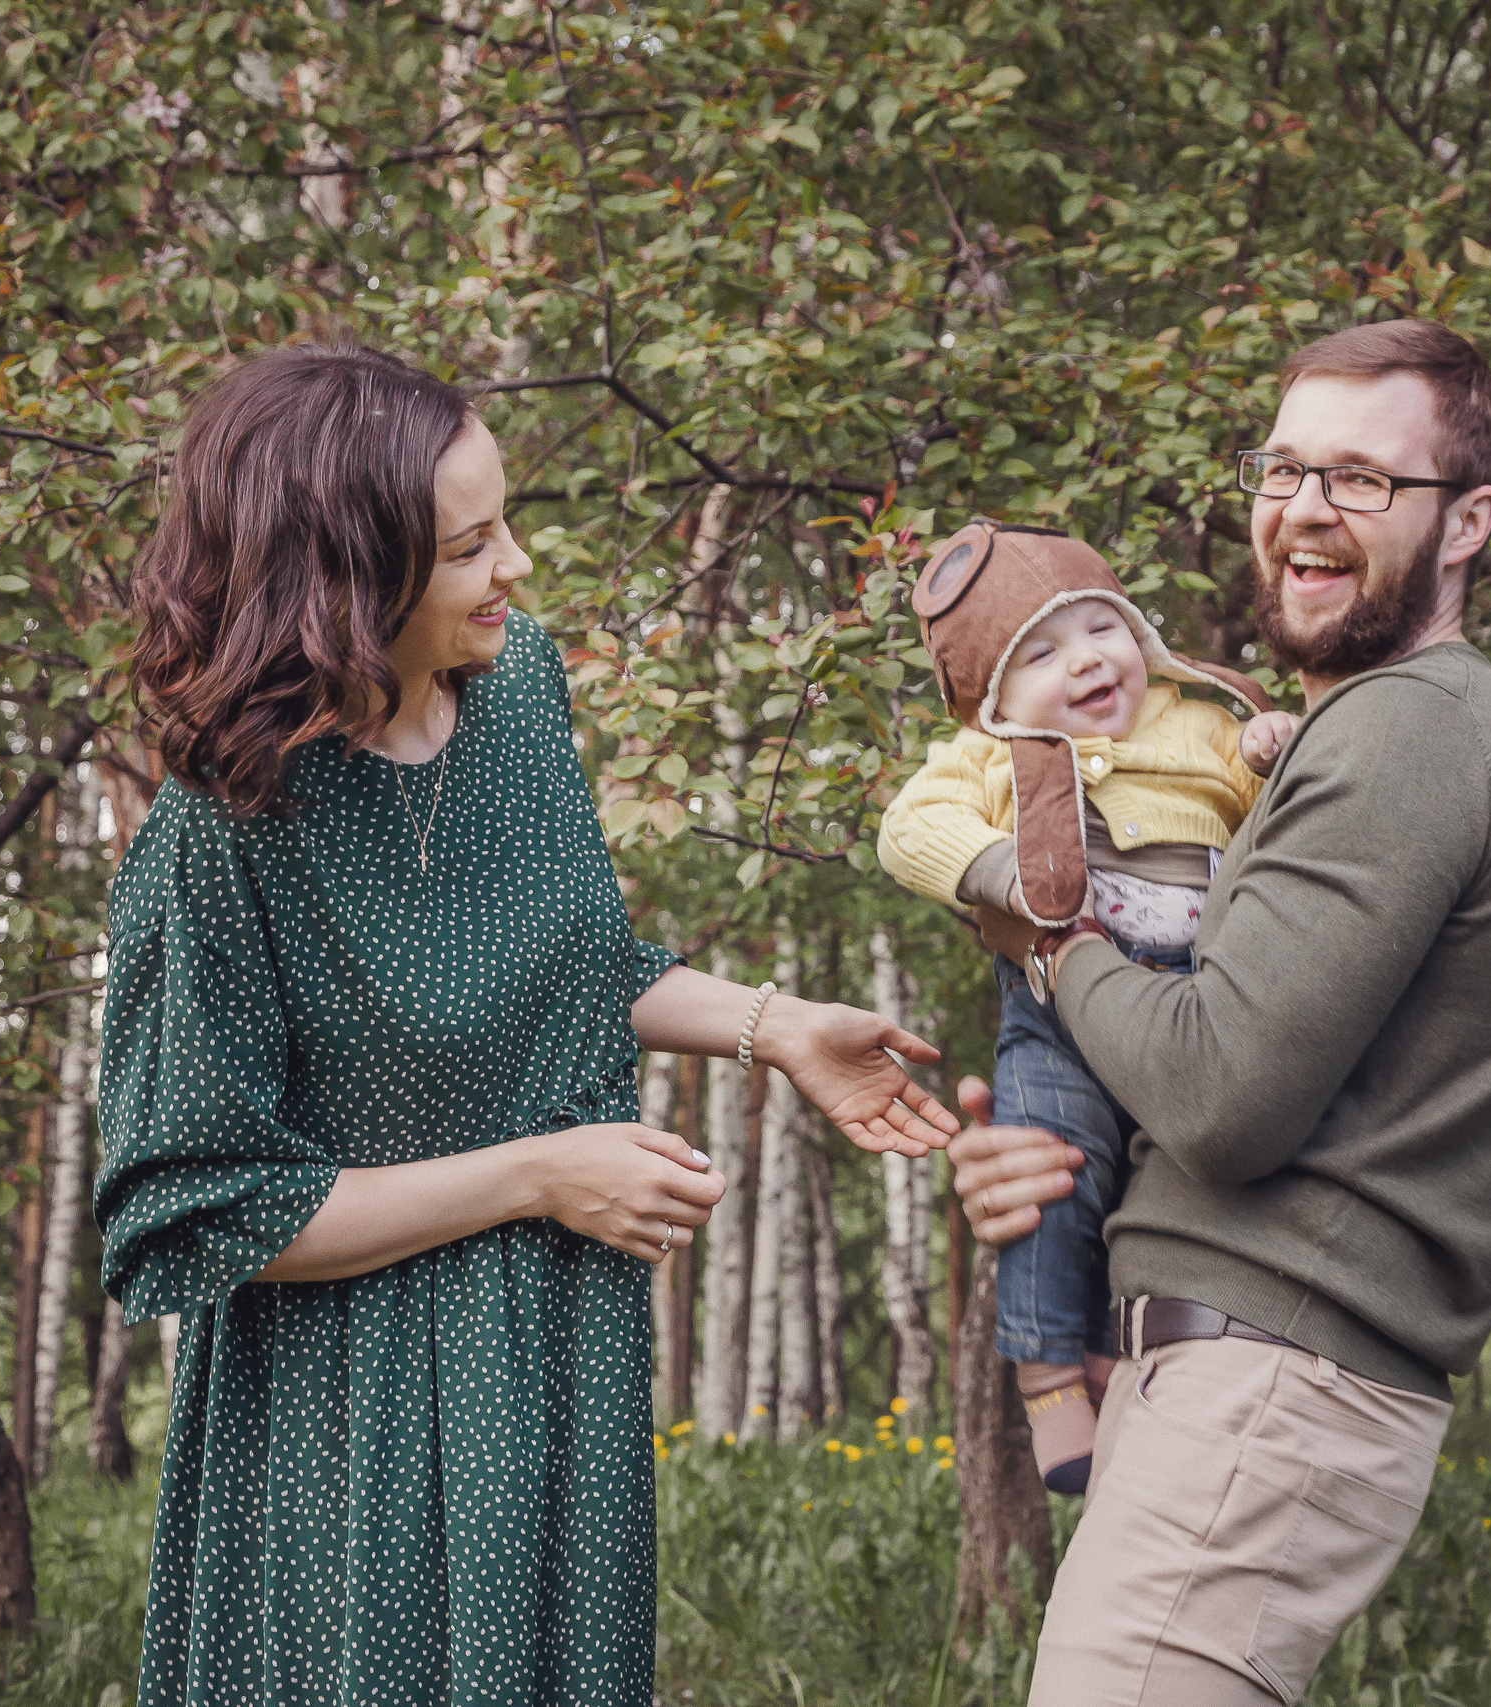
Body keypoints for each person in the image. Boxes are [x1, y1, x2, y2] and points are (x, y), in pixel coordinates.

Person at [95, 342, 955, 1707]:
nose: (518, 570)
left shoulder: (513, 685)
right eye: (469, 545)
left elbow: (550, 964)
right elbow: (200, 1208)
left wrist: (777, 1024)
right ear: (344, 583)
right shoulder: (219, 835)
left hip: (556, 1353)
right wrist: (540, 1173)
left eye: (507, 524)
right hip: (344, 1408)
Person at [949, 318, 1491, 1706]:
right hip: (1225, 1372)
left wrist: (1048, 944)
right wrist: (1052, 1150)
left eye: (1362, 478)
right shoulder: (1363, 734)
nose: (1303, 509)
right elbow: (1229, 1068)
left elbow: (1223, 1094)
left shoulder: (1417, 728)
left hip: (1270, 1375)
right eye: (1284, 466)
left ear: (1469, 518)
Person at [875, 520, 1299, 1493]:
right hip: (1057, 1011)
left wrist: (1272, 744)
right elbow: (909, 830)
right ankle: (1048, 1372)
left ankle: (1116, 1349)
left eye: (1102, 629)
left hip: (1193, 998)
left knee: (1161, 1188)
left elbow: (1267, 791)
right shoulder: (990, 757)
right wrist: (1000, 874)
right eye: (1040, 653)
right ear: (992, 700)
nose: (1085, 662)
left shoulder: (1196, 722)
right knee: (1052, 1165)